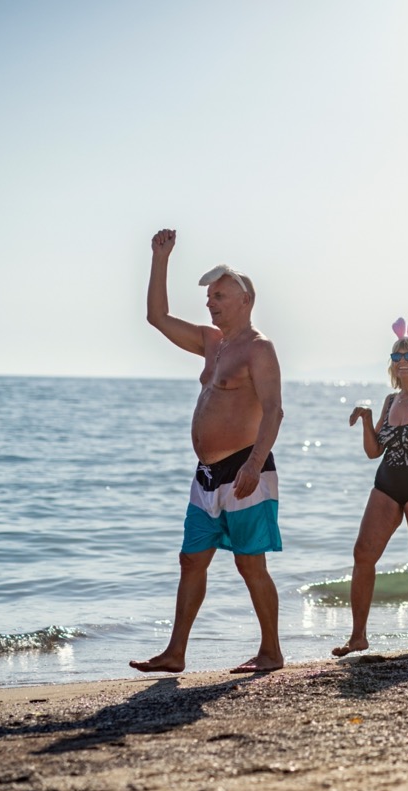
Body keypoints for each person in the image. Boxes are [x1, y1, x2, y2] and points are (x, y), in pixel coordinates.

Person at [130, 228, 285, 675]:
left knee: (249, 564)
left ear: (245, 300)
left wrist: (255, 465)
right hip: (206, 474)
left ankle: (271, 652)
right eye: (209, 297)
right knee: (191, 559)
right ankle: (175, 653)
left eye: (220, 295)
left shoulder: (259, 348)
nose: (211, 302)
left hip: (245, 469)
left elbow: (274, 411)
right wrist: (161, 258)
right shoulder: (212, 344)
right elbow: (157, 317)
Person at [333, 314, 408, 657]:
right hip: (387, 482)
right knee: (363, 553)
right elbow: (374, 452)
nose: (401, 361)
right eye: (396, 356)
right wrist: (368, 421)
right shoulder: (390, 401)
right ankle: (358, 636)